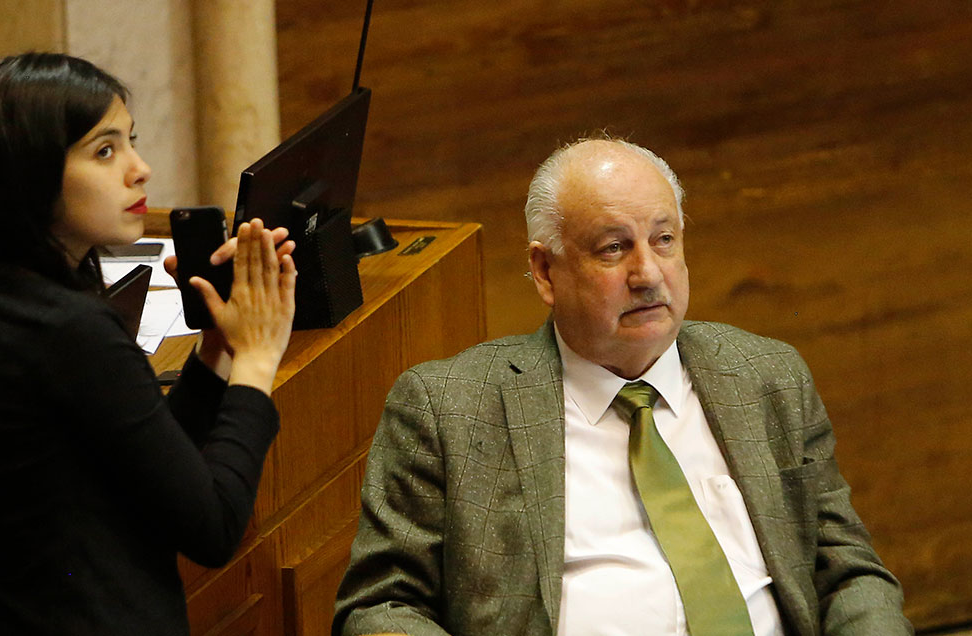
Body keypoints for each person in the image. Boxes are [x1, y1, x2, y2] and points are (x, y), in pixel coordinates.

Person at [334, 138, 912, 635]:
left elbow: (848, 572)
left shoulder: (766, 376)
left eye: (664, 240)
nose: (648, 274)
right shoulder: (450, 409)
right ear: (545, 271)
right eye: (614, 248)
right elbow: (381, 608)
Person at [0, 53, 296, 634]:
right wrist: (259, 360)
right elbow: (213, 526)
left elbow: (142, 461)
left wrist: (218, 350)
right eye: (104, 151)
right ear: (30, 174)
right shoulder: (68, 331)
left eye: (129, 143)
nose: (140, 170)